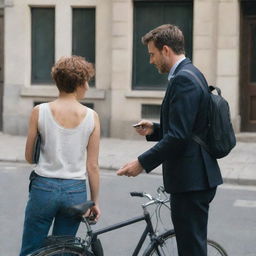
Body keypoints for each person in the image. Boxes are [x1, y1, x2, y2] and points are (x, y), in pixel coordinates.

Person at [117, 24, 223, 256]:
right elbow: (188, 127)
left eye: (152, 54)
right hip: (195, 178)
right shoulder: (192, 72)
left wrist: (141, 163)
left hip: (192, 181)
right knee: (191, 247)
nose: (151, 60)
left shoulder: (183, 79)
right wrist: (155, 129)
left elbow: (179, 136)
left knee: (191, 250)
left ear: (166, 50)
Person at [20, 56, 101, 256]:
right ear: (80, 83)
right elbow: (92, 166)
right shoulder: (92, 116)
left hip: (43, 188)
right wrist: (95, 201)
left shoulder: (39, 111)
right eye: (87, 81)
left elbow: (29, 157)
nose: (88, 87)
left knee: (31, 249)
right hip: (75, 191)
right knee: (64, 251)